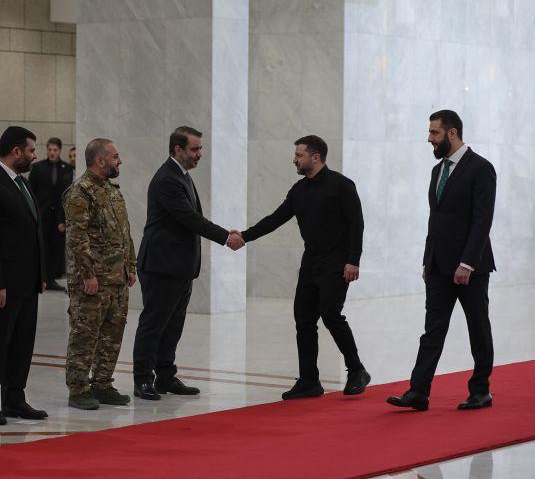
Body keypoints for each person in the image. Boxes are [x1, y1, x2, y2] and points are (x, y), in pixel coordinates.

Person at [233, 135, 369, 400]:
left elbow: (357, 223)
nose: (294, 160)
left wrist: (354, 260)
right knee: (304, 320)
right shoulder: (299, 190)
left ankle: (357, 370)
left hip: (337, 262)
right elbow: (276, 218)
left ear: (315, 157)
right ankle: (309, 380)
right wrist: (244, 237)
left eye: (299, 155)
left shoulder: (341, 185)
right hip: (311, 262)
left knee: (331, 315)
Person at [387, 110, 496, 412]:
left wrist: (467, 263)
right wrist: (428, 260)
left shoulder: (481, 168)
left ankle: (481, 391)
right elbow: (435, 219)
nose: (429, 138)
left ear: (452, 133)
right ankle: (418, 392)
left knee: (478, 328)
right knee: (432, 331)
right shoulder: (438, 170)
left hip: (470, 268)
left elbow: (482, 220)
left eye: (434, 133)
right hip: (437, 266)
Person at [132, 126, 244, 400]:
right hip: (161, 265)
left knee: (173, 324)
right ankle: (142, 379)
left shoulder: (181, 175)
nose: (200, 154)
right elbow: (189, 218)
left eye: (200, 148)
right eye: (195, 149)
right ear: (178, 149)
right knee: (154, 324)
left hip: (179, 266)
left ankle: (165, 376)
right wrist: (225, 237)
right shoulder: (167, 179)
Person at [0, 126, 48, 425]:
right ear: (16, 151)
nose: (34, 156)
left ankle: (14, 398)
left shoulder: (21, 183)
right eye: (31, 150)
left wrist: (40, 274)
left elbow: (33, 231)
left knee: (22, 343)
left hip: (26, 282)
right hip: (1, 284)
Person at [63, 139, 137, 410]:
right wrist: (88, 275)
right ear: (100, 160)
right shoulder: (80, 192)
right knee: (85, 334)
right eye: (115, 156)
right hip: (93, 280)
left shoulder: (112, 190)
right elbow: (77, 237)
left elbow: (124, 232)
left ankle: (103, 383)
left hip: (117, 277)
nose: (120, 161)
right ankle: (78, 388)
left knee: (112, 333)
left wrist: (131, 266)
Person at [28, 137, 74, 291]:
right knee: (42, 247)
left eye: (55, 150)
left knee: (56, 248)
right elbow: (31, 192)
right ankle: (41, 278)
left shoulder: (66, 168)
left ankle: (51, 278)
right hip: (42, 215)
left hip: (58, 217)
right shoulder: (37, 168)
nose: (52, 152)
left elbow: (66, 194)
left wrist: (64, 218)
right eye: (50, 150)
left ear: (60, 150)